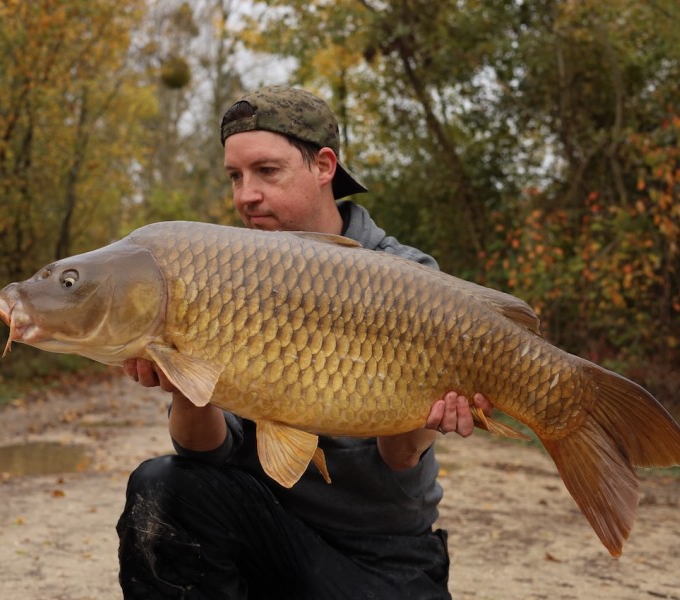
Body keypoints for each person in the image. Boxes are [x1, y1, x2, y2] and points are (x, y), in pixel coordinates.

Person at [116, 86, 492, 599]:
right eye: (235, 176)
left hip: (381, 553)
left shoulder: (408, 277)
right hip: (267, 536)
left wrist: (426, 422)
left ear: (323, 166)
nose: (246, 194)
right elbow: (207, 455)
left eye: (266, 172)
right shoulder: (223, 273)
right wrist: (185, 381)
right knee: (163, 488)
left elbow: (401, 462)